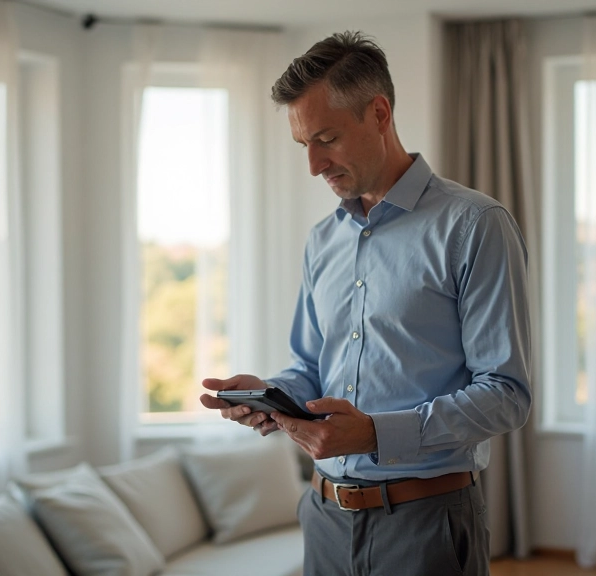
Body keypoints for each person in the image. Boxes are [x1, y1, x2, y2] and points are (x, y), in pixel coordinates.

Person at [199, 30, 531, 576]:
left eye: (326, 138)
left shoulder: (475, 226)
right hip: (323, 518)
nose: (314, 165)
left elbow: (506, 394)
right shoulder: (321, 240)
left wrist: (377, 433)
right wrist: (273, 397)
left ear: (379, 114)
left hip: (425, 523)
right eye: (303, 145)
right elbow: (310, 367)